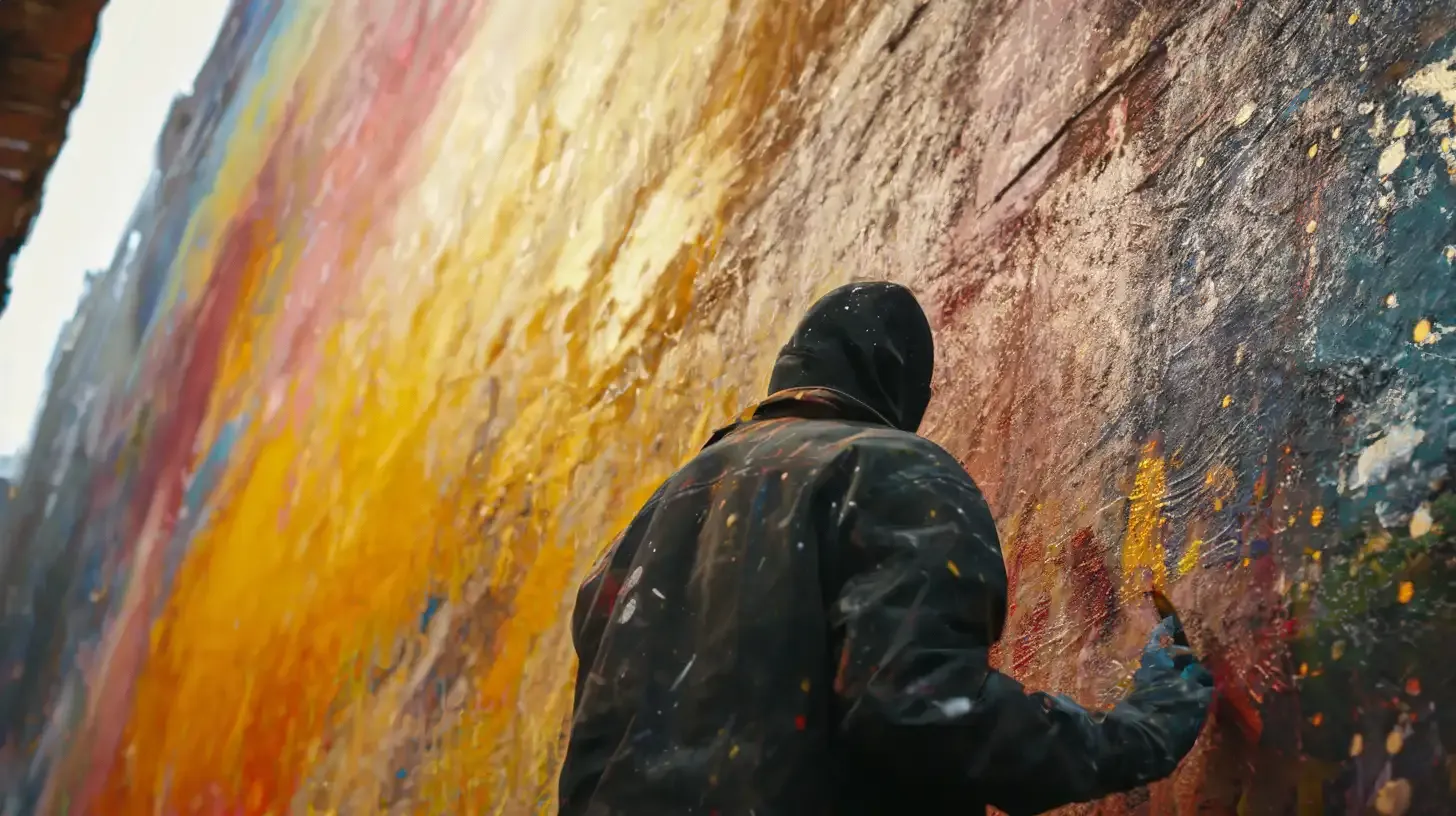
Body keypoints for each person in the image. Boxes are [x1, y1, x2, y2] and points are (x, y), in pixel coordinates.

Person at [558, 281, 1213, 815]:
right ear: (902, 390)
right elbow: (923, 713)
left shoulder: (634, 538)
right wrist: (1141, 731)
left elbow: (588, 772)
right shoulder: (889, 468)